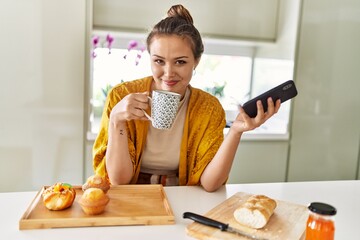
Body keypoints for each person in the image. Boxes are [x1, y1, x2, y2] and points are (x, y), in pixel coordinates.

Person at [93, 4, 281, 192]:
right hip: (134, 194)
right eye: (159, 61)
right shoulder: (120, 97)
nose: (168, 73)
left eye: (180, 62)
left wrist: (235, 132)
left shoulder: (209, 107)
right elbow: (119, 180)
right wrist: (116, 121)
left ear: (196, 62)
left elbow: (210, 184)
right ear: (150, 58)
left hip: (181, 194)